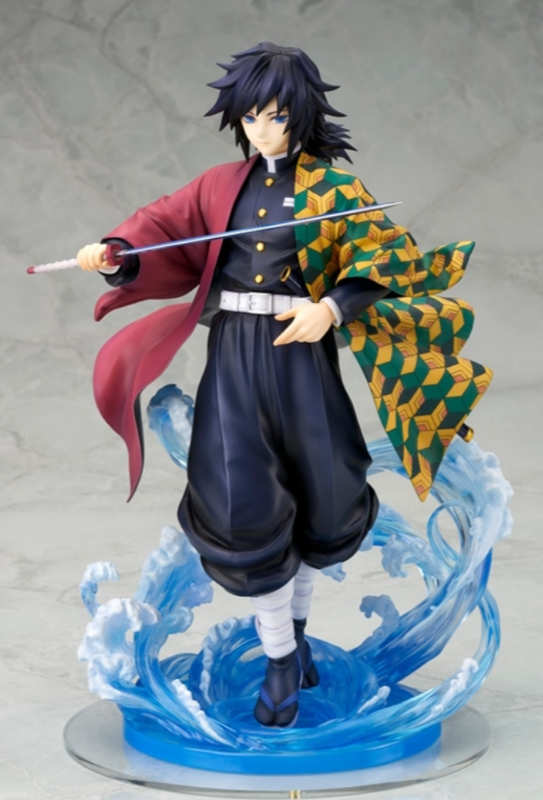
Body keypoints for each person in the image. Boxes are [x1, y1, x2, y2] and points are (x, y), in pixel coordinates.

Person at [76, 43, 491, 727]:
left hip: (302, 358)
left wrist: (331, 307)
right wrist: (115, 255)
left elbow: (384, 257)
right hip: (235, 356)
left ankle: (294, 637)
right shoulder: (219, 186)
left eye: (275, 116)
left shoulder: (335, 190)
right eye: (251, 117)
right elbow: (162, 227)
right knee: (240, 495)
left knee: (321, 488)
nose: (262, 130)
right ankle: (278, 659)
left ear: (301, 115)